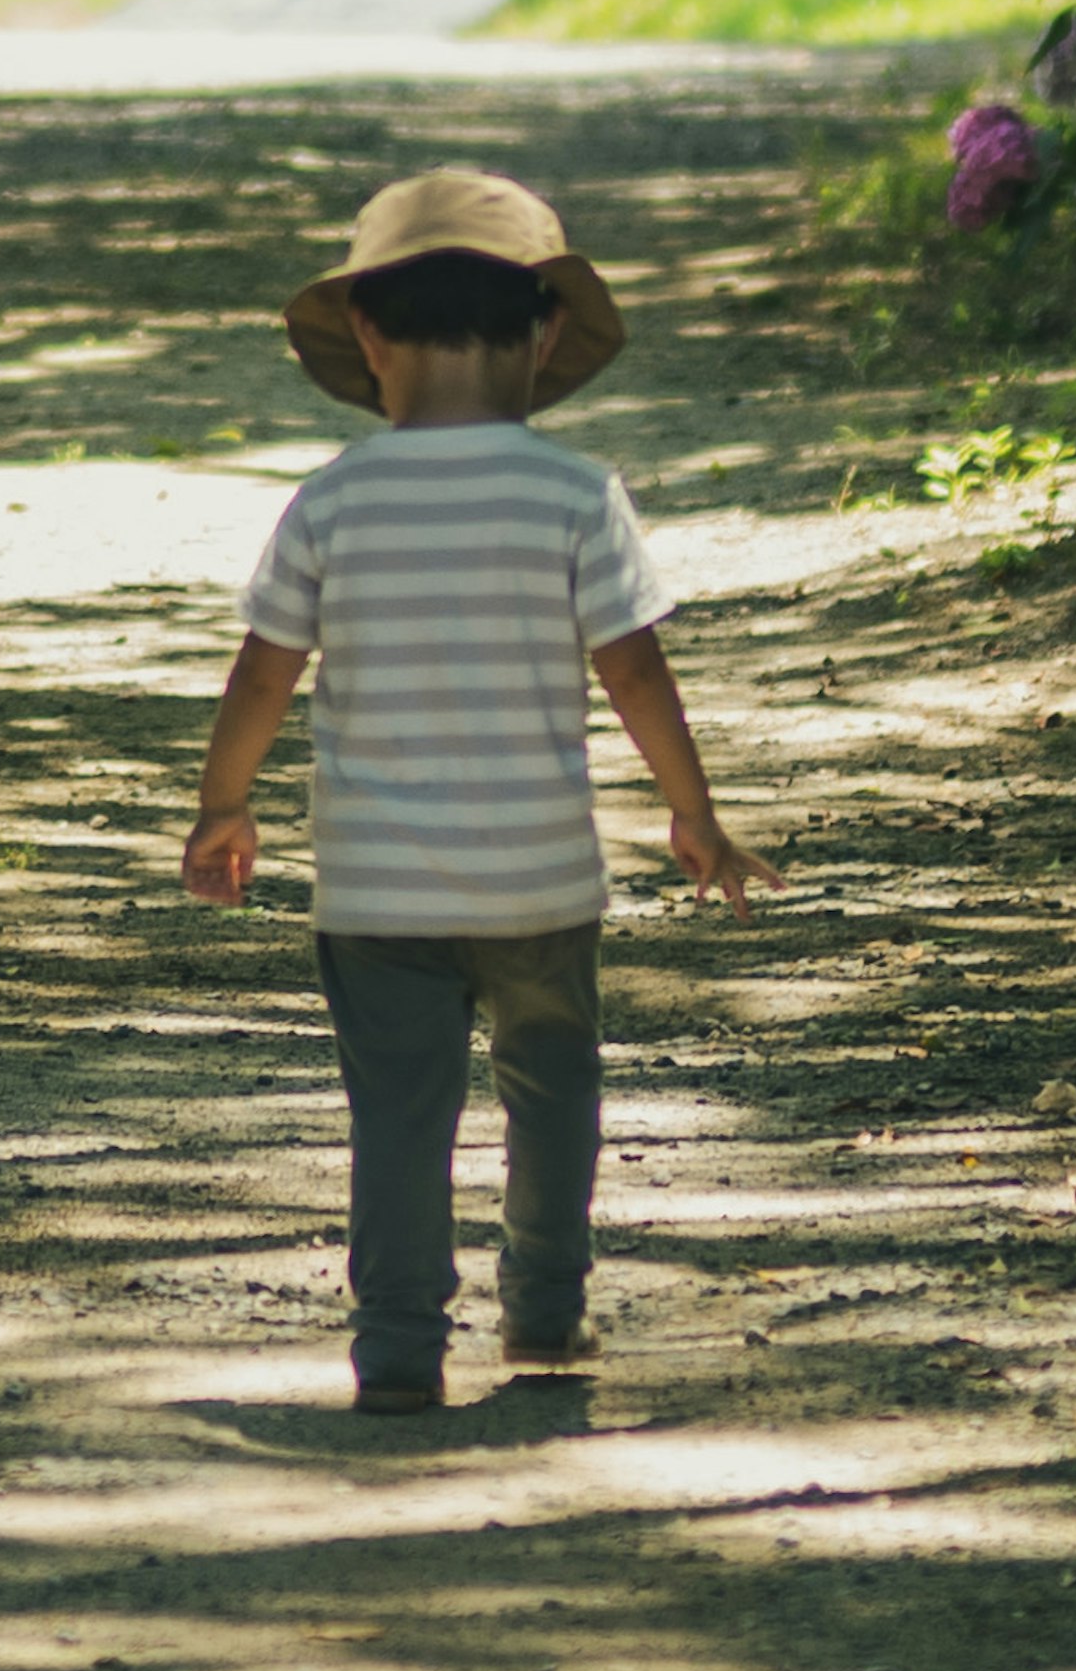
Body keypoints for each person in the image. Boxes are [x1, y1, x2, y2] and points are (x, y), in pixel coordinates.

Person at [177, 164, 769, 1410]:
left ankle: (397, 1346)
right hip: (540, 886)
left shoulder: (331, 499)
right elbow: (636, 667)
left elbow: (263, 676)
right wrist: (694, 811)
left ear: (370, 335)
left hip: (378, 897)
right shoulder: (574, 495)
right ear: (546, 331)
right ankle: (547, 1321)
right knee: (553, 1096)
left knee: (398, 1114)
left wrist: (224, 804)